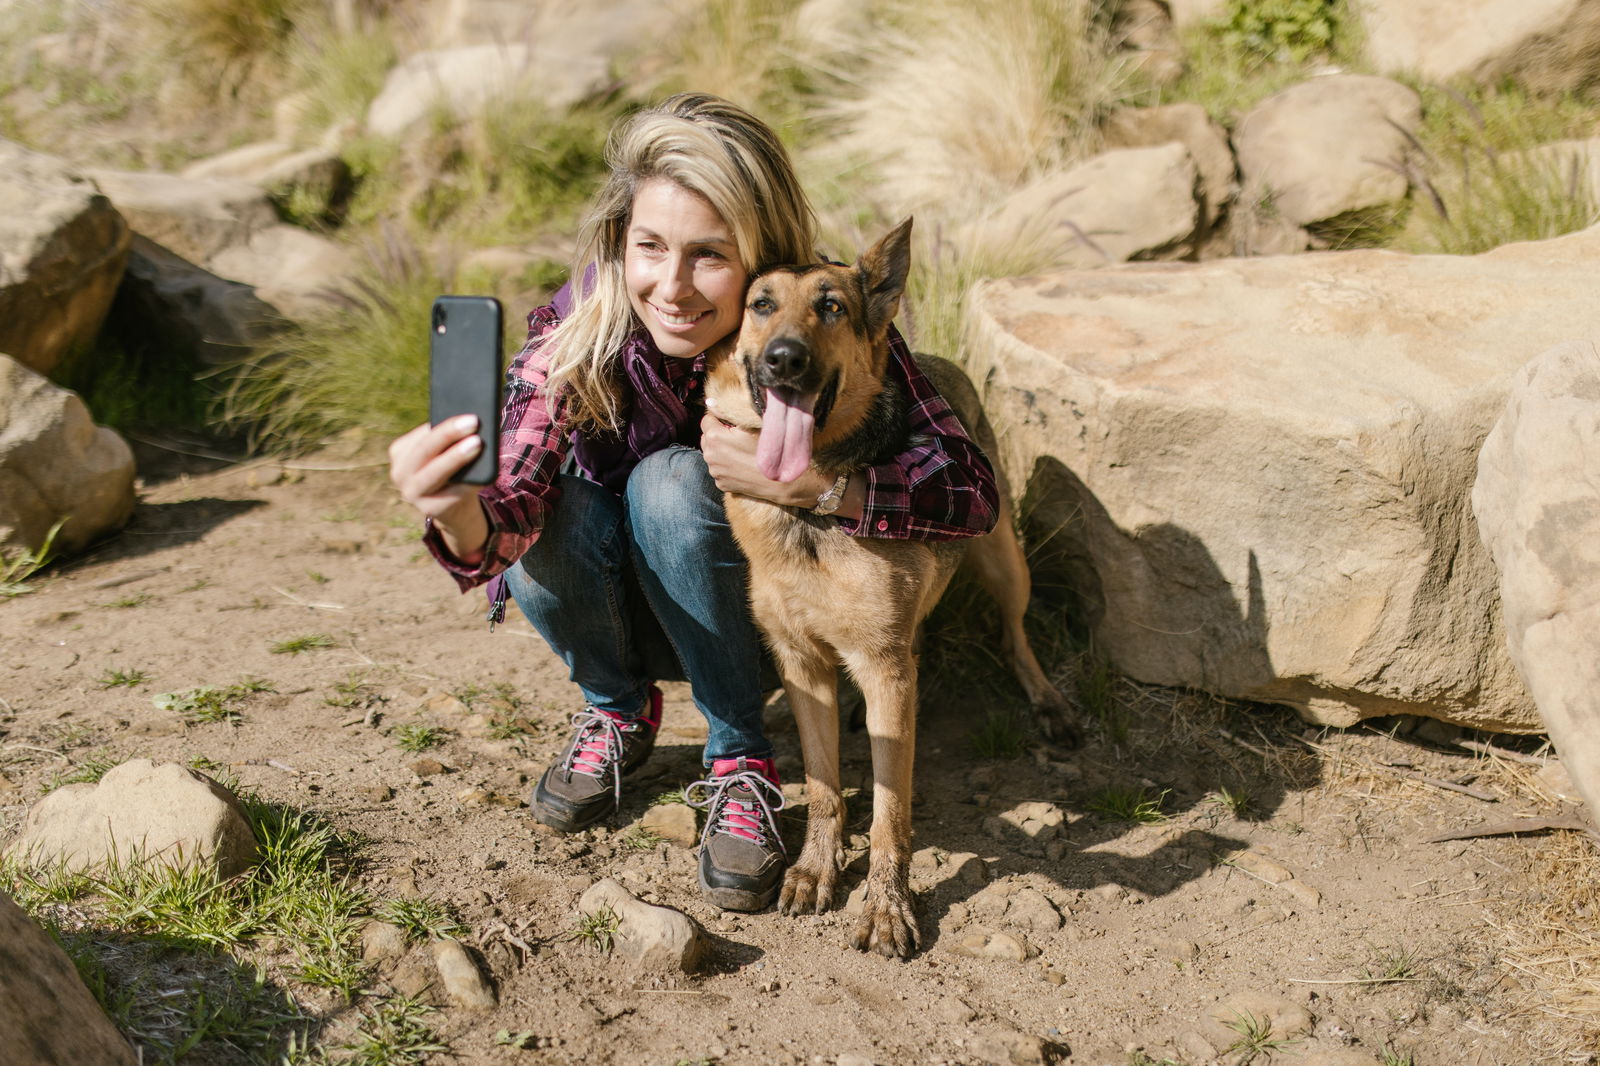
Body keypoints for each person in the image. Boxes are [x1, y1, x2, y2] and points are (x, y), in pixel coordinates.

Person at [388, 92, 1001, 911]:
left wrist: (821, 485)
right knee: (565, 507)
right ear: (620, 245)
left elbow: (970, 491)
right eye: (650, 247)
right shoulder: (579, 331)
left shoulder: (809, 314)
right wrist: (455, 506)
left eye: (709, 255)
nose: (671, 287)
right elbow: (508, 511)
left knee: (671, 484)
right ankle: (615, 706)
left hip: (738, 619)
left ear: (760, 253)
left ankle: (740, 755)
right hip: (623, 604)